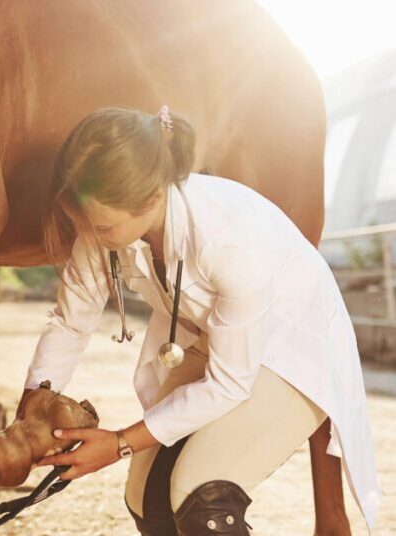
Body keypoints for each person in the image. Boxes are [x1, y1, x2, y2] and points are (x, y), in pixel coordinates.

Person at [21, 106, 380, 534]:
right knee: (145, 497)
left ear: (152, 198)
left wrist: (117, 444)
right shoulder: (102, 226)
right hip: (217, 337)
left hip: (291, 347)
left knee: (201, 494)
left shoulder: (227, 241)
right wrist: (33, 404)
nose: (87, 238)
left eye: (100, 226)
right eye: (79, 220)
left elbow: (229, 382)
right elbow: (70, 323)